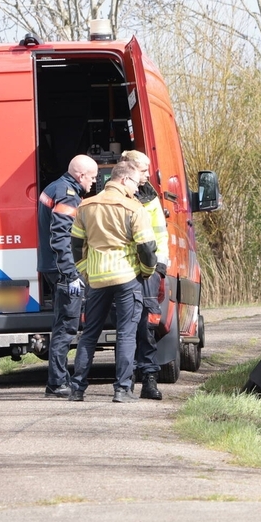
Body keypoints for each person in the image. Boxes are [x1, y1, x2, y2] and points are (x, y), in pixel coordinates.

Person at [67, 161, 157, 403]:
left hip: (96, 278)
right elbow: (147, 248)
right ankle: (122, 389)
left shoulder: (85, 206)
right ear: (124, 180)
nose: (137, 189)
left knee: (89, 334)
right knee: (126, 334)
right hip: (126, 277)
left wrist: (85, 271)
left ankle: (77, 389)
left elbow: (76, 245)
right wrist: (146, 271)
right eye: (135, 183)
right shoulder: (133, 208)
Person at [37, 154, 98, 397]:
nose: (94, 181)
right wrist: (71, 273)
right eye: (92, 177)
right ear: (80, 175)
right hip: (63, 270)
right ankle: (57, 383)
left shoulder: (55, 187)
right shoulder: (68, 194)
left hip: (52, 267)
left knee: (61, 324)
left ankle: (58, 379)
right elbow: (61, 236)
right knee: (66, 326)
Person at [120, 150, 169, 400]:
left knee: (147, 326)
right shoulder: (114, 193)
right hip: (124, 270)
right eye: (143, 170)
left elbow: (160, 233)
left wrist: (160, 266)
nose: (148, 174)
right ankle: (125, 380)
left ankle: (149, 379)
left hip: (150, 270)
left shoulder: (150, 196)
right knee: (127, 327)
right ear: (128, 168)